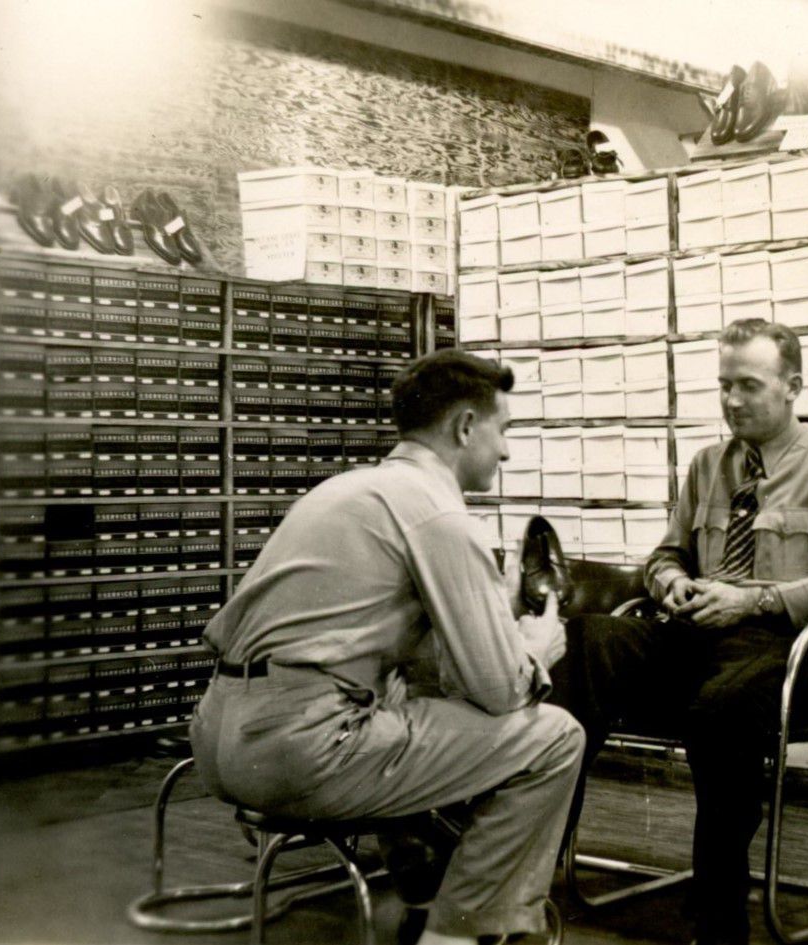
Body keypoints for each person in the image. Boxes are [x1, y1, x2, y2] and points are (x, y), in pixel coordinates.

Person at [190, 350, 581, 945]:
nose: (506, 451)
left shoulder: (349, 489)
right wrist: (535, 646)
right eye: (504, 430)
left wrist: (489, 621)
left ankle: (425, 890)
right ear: (466, 427)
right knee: (555, 737)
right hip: (300, 750)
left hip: (218, 737)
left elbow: (409, 657)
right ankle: (459, 934)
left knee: (403, 696)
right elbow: (501, 692)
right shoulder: (440, 514)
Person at [548, 319, 808, 945]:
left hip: (785, 655)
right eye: (725, 385)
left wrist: (756, 599)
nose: (732, 400)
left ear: (792, 387)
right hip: (698, 641)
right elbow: (665, 555)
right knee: (582, 641)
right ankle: (530, 863)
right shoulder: (709, 464)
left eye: (748, 385)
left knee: (724, 705)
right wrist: (671, 582)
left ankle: (719, 914)